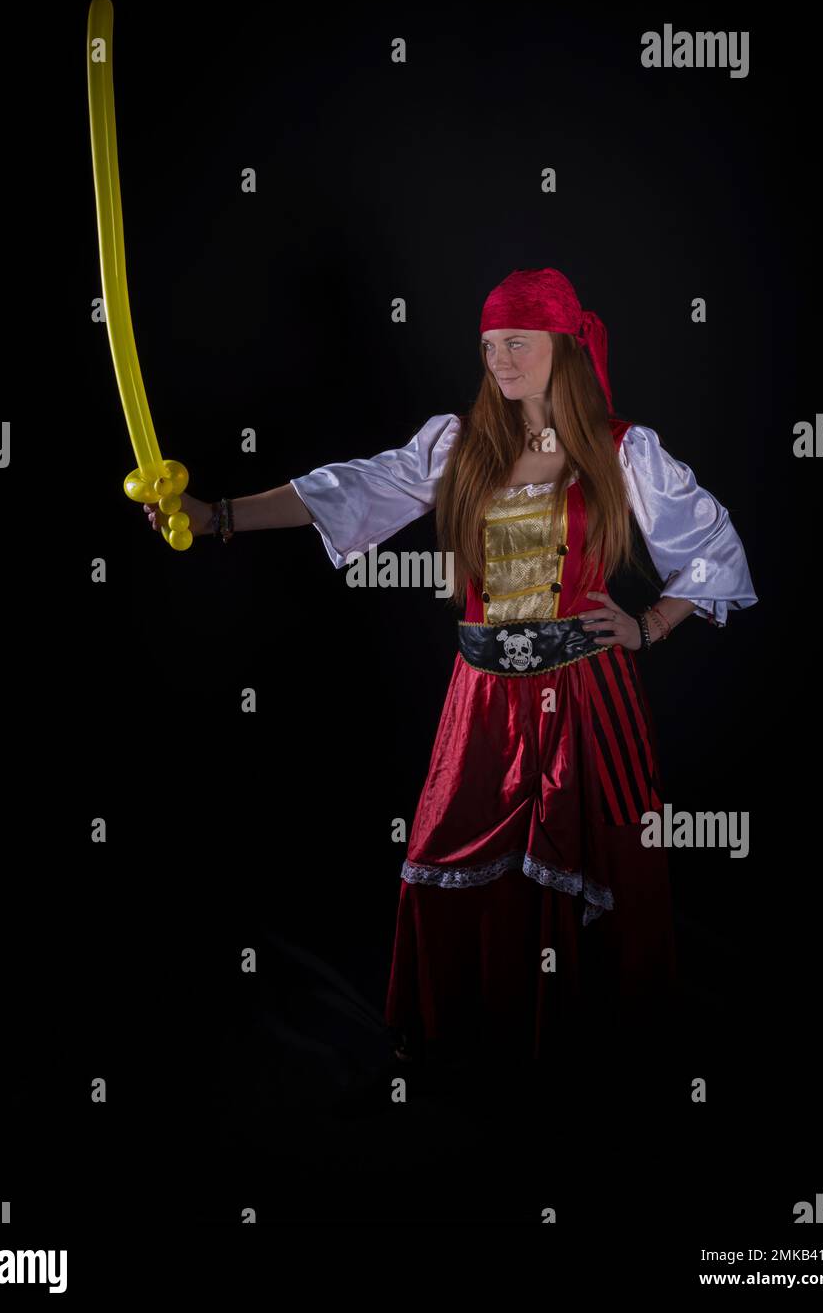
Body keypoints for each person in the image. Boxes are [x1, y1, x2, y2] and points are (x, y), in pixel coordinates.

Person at [144, 266, 759, 1068]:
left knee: (584, 860)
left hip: (583, 696)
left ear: (563, 346)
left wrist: (648, 626)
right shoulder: (460, 444)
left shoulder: (622, 450)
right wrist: (216, 515)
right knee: (454, 849)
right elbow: (347, 490)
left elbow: (714, 547)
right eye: (488, 344)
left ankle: (581, 1040)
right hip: (481, 701)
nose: (498, 359)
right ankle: (477, 1030)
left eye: (516, 341)